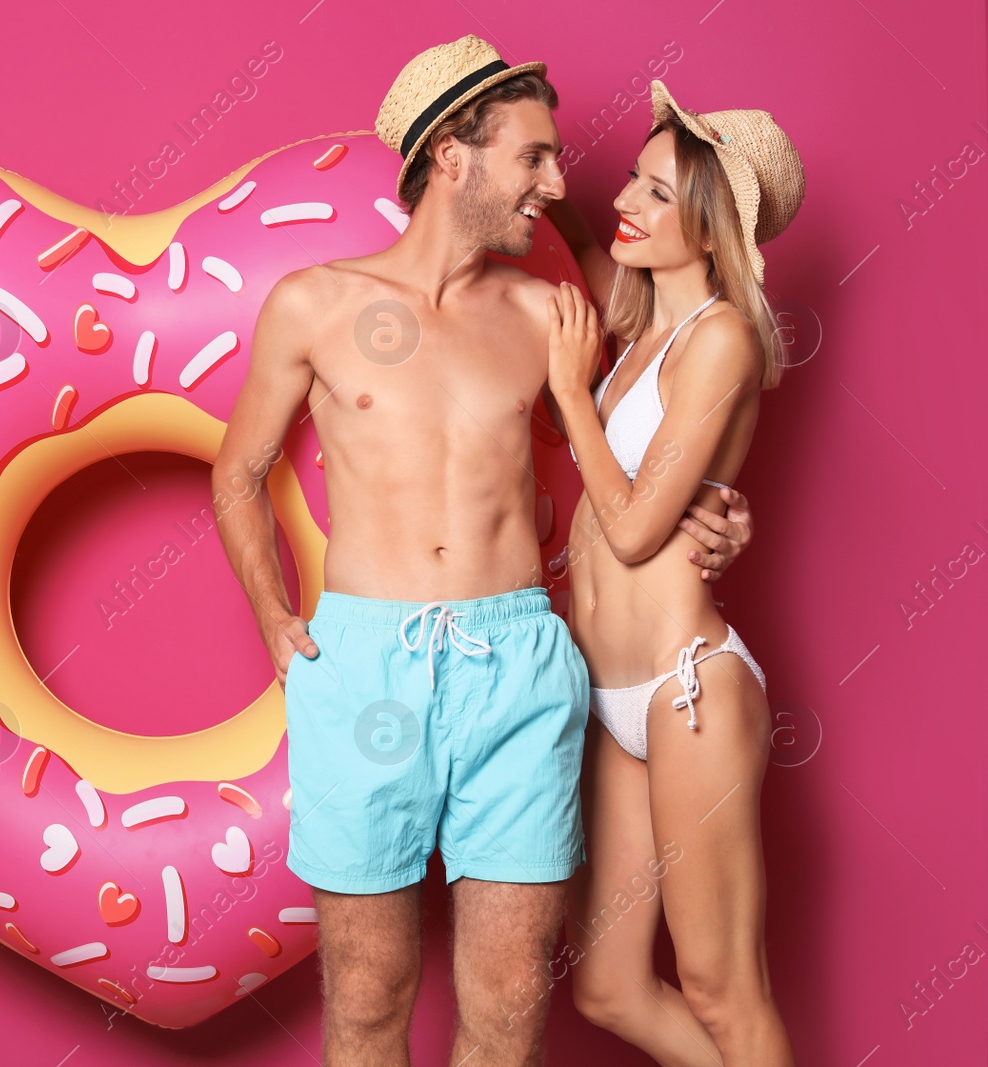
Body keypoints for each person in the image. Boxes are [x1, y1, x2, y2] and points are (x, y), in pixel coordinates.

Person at [212, 38, 754, 1066]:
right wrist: (274, 617)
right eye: (533, 158)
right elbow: (236, 475)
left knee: (510, 997)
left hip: (517, 664)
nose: (558, 182)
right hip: (364, 661)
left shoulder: (551, 316)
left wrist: (719, 507)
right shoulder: (314, 304)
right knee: (368, 991)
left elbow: (654, 428)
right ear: (453, 157)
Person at [542, 80, 803, 1064]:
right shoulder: (636, 323)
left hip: (685, 687)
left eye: (658, 193)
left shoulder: (720, 336)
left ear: (707, 226)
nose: (629, 203)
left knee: (721, 987)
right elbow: (576, 229)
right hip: (608, 691)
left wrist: (571, 397)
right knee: (607, 985)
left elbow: (641, 525)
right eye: (632, 179)